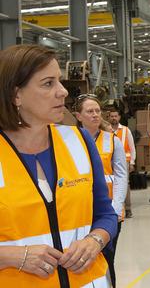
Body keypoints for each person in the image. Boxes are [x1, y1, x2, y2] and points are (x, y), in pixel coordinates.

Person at [0, 44, 117, 287]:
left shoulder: (78, 140)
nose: (63, 91)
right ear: (15, 95)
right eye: (48, 83)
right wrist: (12, 256)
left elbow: (105, 214)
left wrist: (95, 240)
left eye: (60, 81)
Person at [74, 93, 128, 287]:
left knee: (107, 259)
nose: (96, 115)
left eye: (98, 111)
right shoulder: (70, 140)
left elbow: (121, 176)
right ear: (78, 116)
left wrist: (115, 207)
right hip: (81, 213)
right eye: (90, 111)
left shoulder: (113, 140)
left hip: (109, 212)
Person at [109, 109, 136, 218]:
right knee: (111, 184)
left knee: (125, 184)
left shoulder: (126, 130)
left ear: (119, 117)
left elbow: (132, 147)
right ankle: (114, 208)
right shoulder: (106, 131)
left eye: (115, 116)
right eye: (111, 116)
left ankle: (128, 209)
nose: (114, 118)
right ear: (108, 118)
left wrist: (132, 162)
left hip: (124, 162)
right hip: (109, 161)